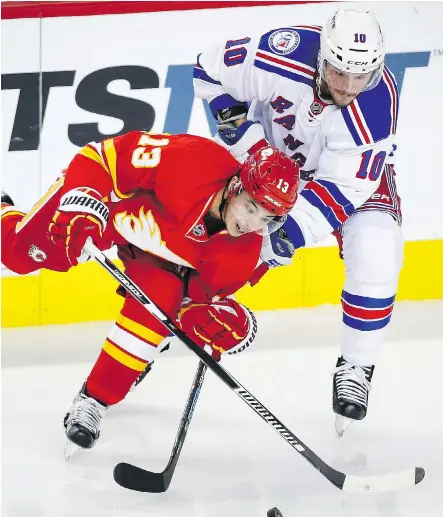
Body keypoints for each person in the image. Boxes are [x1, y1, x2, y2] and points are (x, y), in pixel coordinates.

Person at [1, 131, 300, 452]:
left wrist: (210, 321)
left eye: (268, 218)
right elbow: (100, 158)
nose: (253, 224)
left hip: (157, 259)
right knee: (19, 255)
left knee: (156, 312)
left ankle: (94, 400)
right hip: (111, 213)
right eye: (251, 207)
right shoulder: (192, 159)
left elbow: (191, 301)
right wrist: (83, 203)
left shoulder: (241, 255)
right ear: (236, 187)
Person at [193, 9, 403, 432]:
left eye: (360, 76)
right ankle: (152, 332)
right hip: (270, 169)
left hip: (346, 182)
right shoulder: (282, 54)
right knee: (206, 255)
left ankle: (356, 368)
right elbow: (208, 71)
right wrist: (253, 148)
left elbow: (342, 188)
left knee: (378, 251)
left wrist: (284, 233)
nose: (347, 87)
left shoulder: (377, 105)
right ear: (322, 57)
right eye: (339, 72)